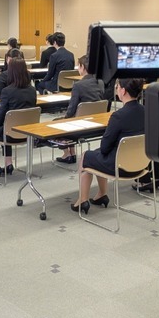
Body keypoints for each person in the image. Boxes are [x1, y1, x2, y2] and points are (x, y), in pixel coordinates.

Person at [72, 78, 146, 214]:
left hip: (120, 167)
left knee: (86, 156)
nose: (116, 89)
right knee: (97, 154)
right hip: (141, 166)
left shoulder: (118, 116)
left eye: (117, 86)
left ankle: (82, 201)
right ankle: (101, 195)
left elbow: (105, 147)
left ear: (123, 91)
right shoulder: (147, 111)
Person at [0, 58, 37, 177]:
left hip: (10, 135)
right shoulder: (32, 90)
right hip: (28, 133)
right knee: (6, 128)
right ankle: (9, 164)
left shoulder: (7, 91)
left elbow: (2, 115)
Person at [56, 55, 105, 164]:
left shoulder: (78, 85)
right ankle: (71, 153)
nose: (78, 68)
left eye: (78, 66)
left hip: (81, 127)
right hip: (97, 124)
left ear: (82, 67)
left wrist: (64, 119)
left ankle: (68, 153)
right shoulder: (100, 82)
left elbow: (71, 109)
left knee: (57, 122)